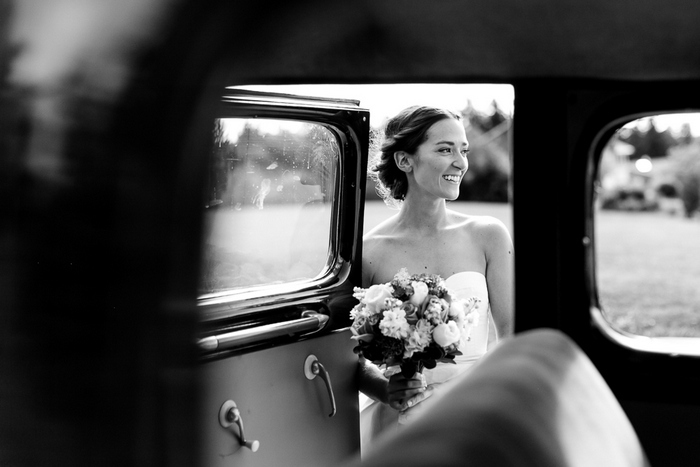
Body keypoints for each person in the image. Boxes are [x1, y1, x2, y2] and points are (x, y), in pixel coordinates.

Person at [357, 105, 514, 450]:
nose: (461, 162)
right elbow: (347, 359)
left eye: (463, 150)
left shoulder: (488, 235)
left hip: (475, 414)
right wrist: (386, 389)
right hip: (398, 422)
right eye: (445, 149)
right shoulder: (370, 252)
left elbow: (511, 337)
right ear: (405, 161)